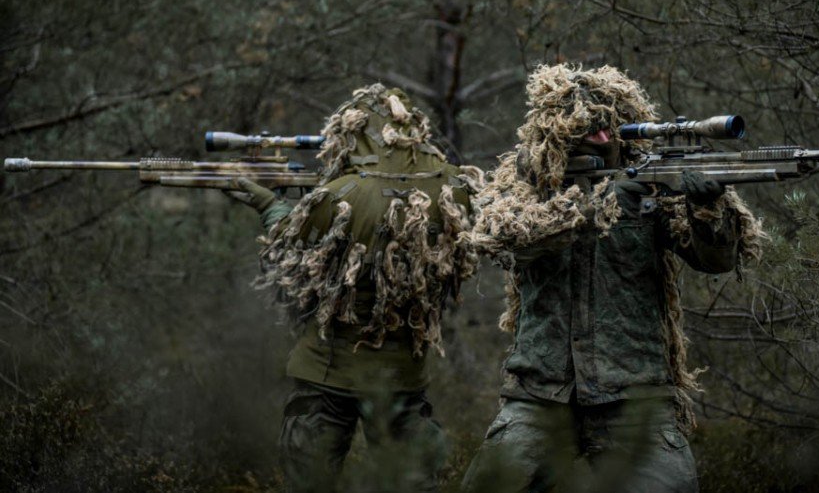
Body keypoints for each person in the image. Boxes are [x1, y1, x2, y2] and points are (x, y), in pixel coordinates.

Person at [462, 64, 766, 493]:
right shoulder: (525, 183)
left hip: (635, 397)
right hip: (539, 397)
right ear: (554, 129)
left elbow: (715, 260)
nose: (602, 139)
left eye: (609, 128)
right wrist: (597, 207)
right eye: (587, 129)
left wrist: (707, 211)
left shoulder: (649, 182)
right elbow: (507, 239)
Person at [232, 83, 483, 493]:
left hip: (328, 365)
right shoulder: (455, 187)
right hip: (404, 371)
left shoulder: (338, 194)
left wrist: (268, 203)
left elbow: (286, 245)